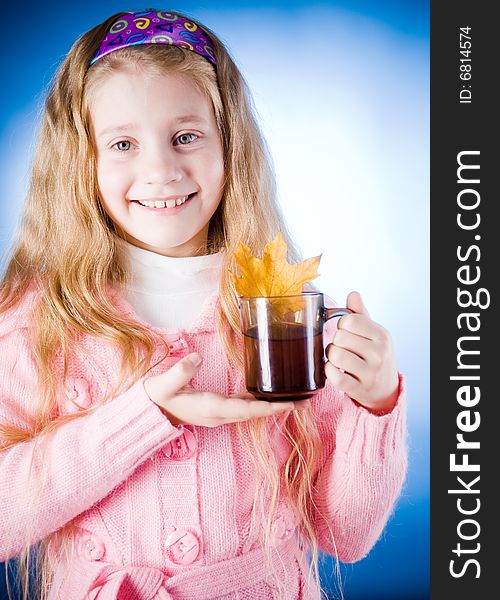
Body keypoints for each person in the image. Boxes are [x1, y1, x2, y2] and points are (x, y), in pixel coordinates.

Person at [0, 8, 407, 600]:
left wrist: (376, 406)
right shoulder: (37, 319)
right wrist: (145, 417)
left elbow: (346, 535)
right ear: (80, 163)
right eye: (123, 144)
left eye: (185, 136)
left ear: (229, 147)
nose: (160, 170)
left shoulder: (286, 317)